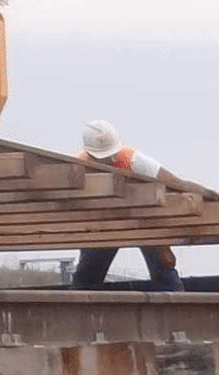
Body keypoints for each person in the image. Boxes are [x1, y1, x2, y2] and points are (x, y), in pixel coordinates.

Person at [72, 119, 183, 290]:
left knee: (163, 270)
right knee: (87, 277)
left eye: (110, 155)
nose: (109, 160)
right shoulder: (76, 167)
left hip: (143, 219)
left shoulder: (133, 161)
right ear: (90, 155)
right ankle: (79, 304)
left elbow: (176, 183)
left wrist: (212, 195)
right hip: (103, 223)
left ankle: (178, 302)